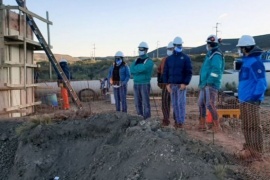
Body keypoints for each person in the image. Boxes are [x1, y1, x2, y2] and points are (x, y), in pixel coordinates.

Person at [236, 35, 267, 160]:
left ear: (246, 48)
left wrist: (254, 98)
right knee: (246, 125)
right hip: (244, 100)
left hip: (251, 101)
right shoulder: (246, 61)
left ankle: (257, 152)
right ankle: (249, 147)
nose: (240, 50)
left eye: (241, 48)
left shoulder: (255, 62)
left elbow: (262, 83)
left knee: (254, 126)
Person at [163, 36, 192, 128]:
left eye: (180, 45)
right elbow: (165, 72)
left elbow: (189, 72)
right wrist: (167, 84)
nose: (179, 47)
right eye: (177, 45)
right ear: (174, 46)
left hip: (181, 85)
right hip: (172, 85)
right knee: (175, 104)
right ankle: (177, 122)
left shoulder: (185, 58)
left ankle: (181, 122)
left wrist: (185, 83)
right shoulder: (169, 59)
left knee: (181, 104)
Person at [197, 35, 225, 132]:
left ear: (210, 44)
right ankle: (202, 123)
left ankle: (216, 125)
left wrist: (210, 81)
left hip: (211, 84)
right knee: (201, 103)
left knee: (210, 104)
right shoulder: (210, 54)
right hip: (205, 83)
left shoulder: (216, 54)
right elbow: (206, 69)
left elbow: (216, 70)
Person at [130, 41, 154, 119]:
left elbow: (144, 69)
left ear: (146, 50)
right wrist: (139, 69)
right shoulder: (136, 60)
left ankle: (147, 119)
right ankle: (139, 118)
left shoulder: (149, 61)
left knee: (146, 103)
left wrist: (136, 69)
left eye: (142, 49)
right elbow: (131, 69)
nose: (140, 50)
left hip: (144, 84)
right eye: (139, 49)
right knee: (137, 103)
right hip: (136, 84)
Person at [157, 41, 174, 126]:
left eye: (171, 49)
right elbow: (159, 70)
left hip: (174, 84)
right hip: (165, 84)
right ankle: (166, 119)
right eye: (168, 49)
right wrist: (159, 81)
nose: (169, 50)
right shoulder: (164, 59)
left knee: (175, 103)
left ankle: (177, 121)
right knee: (164, 103)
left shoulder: (177, 60)